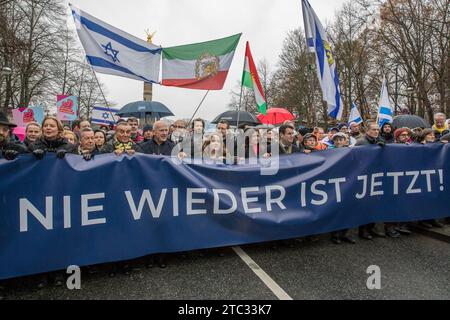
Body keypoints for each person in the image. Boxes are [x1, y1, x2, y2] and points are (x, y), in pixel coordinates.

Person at [355, 121, 385, 240]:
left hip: (376, 176)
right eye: (374, 130)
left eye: (378, 130)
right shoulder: (361, 142)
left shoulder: (379, 140)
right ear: (367, 130)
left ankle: (372, 227)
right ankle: (363, 230)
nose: (376, 132)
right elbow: (357, 159)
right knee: (365, 205)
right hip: (364, 177)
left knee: (375, 204)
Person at [328, 132, 356, 244]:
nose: (339, 142)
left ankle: (345, 233)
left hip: (348, 183)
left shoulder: (351, 152)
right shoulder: (328, 152)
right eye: (336, 140)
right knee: (336, 209)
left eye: (341, 139)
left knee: (347, 210)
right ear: (333, 141)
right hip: (334, 184)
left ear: (345, 141)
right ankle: (335, 234)